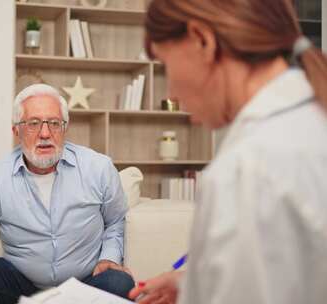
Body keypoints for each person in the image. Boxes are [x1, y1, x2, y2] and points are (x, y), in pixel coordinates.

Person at [128, 1, 327, 304]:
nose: (171, 94)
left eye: (167, 66)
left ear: (202, 40)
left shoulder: (247, 168)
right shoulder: (310, 121)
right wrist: (195, 280)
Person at [0, 83, 134, 304]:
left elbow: (116, 222)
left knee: (119, 283)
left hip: (85, 283)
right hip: (21, 286)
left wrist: (109, 258)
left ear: (64, 128)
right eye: (33, 124)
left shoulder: (99, 168)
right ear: (16, 130)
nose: (45, 133)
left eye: (54, 123)